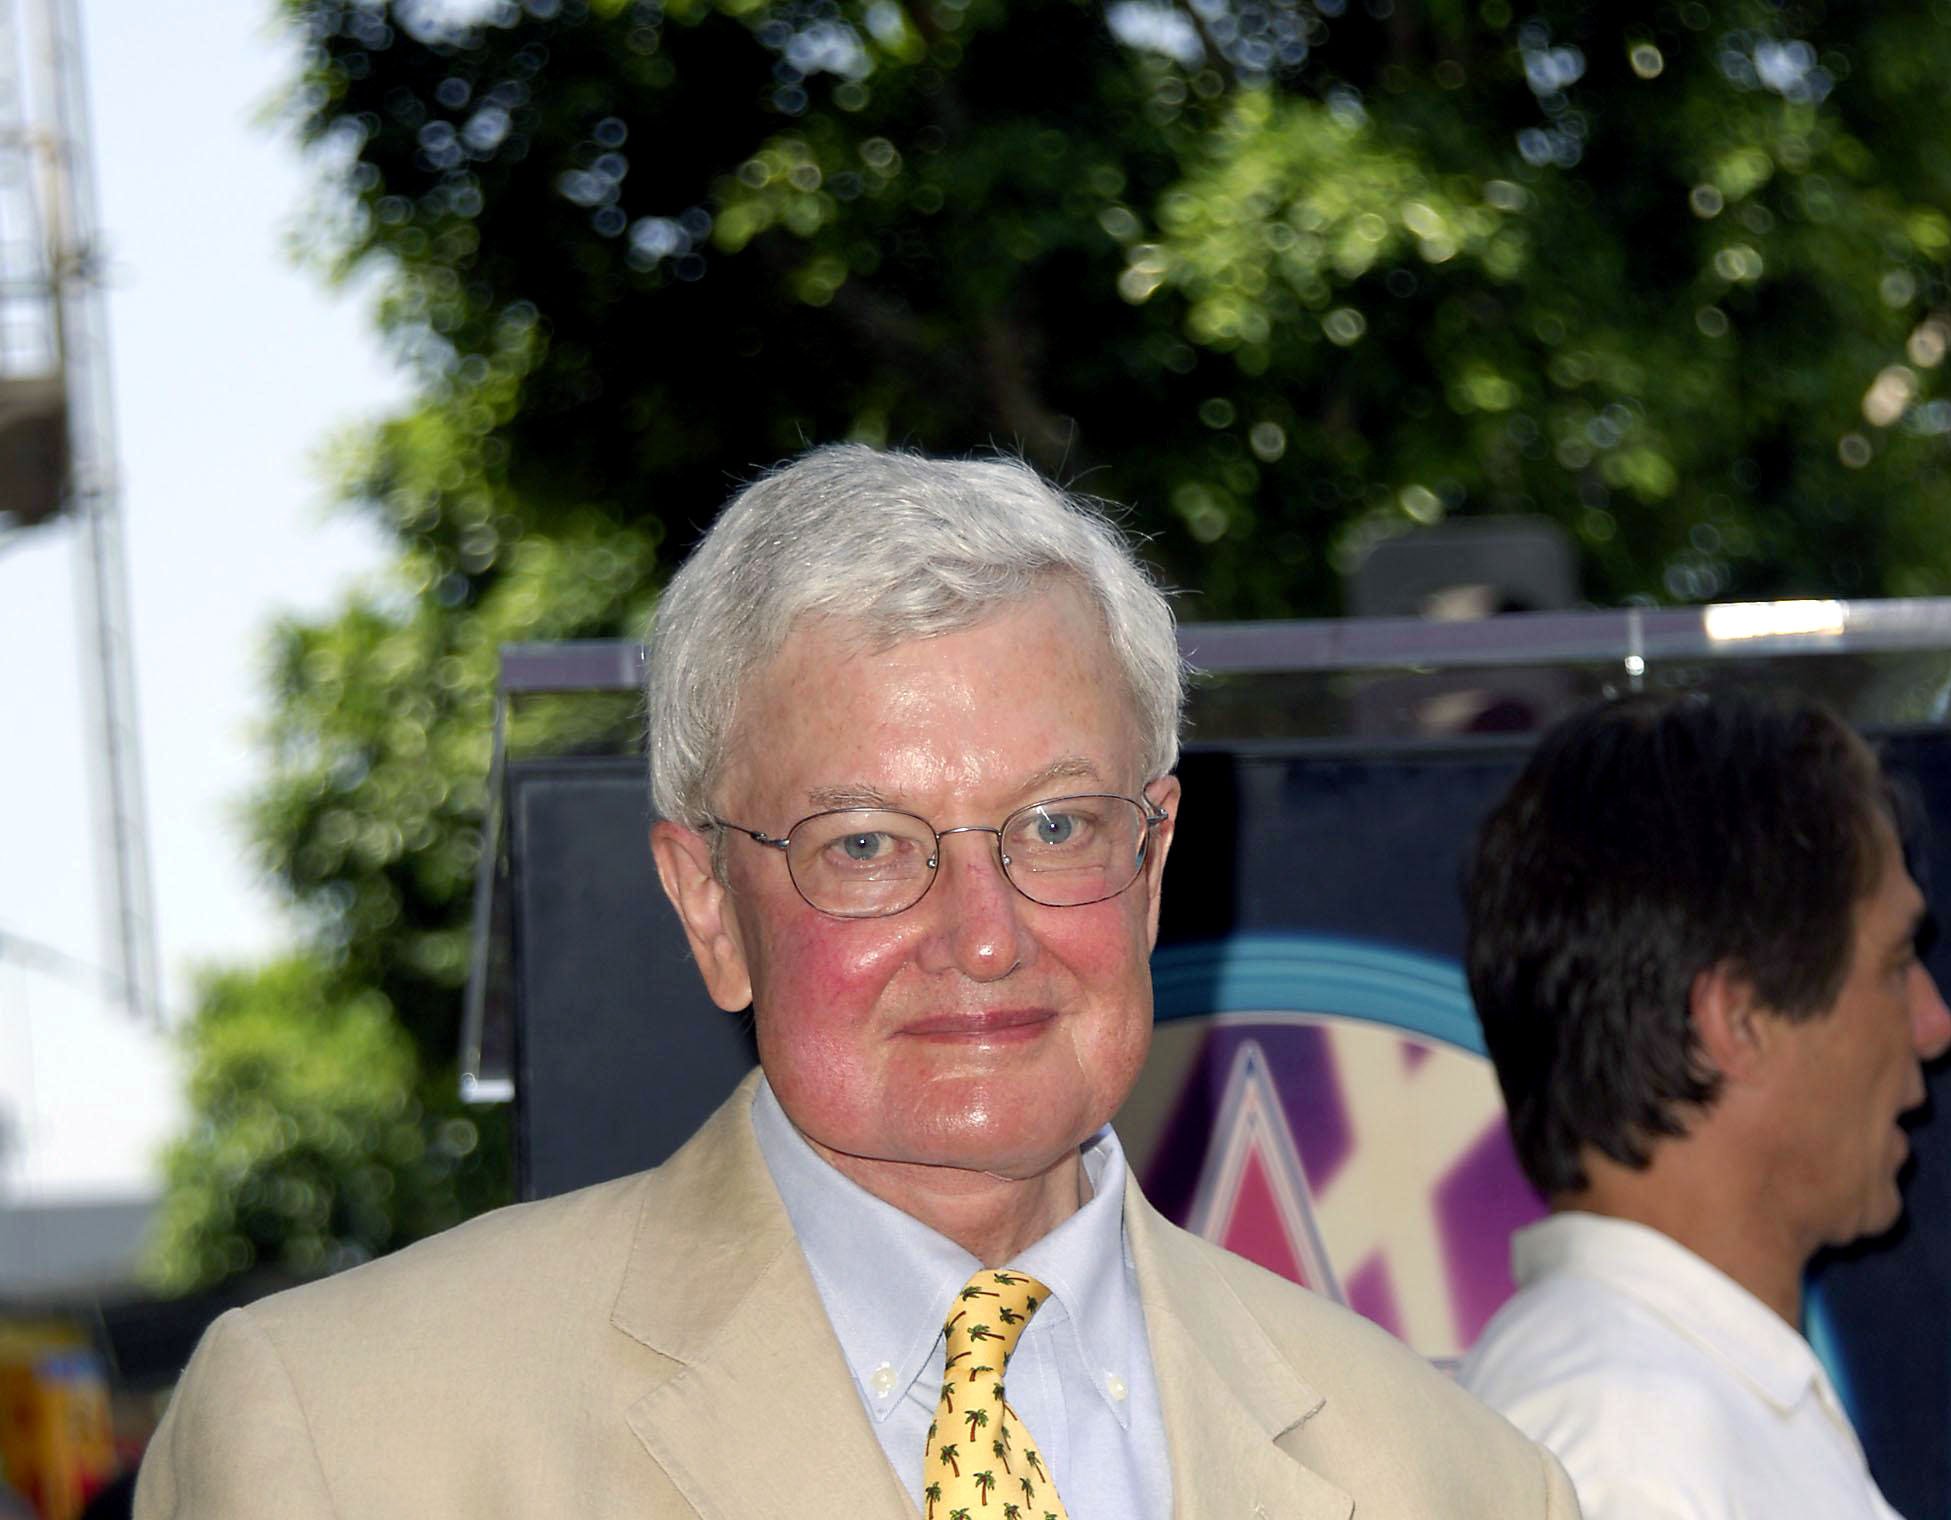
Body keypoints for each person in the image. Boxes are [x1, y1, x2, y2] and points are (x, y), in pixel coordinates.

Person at [136, 445, 1577, 1518]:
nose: (985, 933)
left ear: (1153, 861)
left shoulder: (1457, 1483)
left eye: (1057, 827)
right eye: (869, 844)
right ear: (706, 901)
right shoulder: (340, 1442)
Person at [1457, 689, 1951, 1520]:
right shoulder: (1618, 1441)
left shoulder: (1666, 1402)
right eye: (1896, 961)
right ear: (1739, 1020)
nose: (1934, 1025)